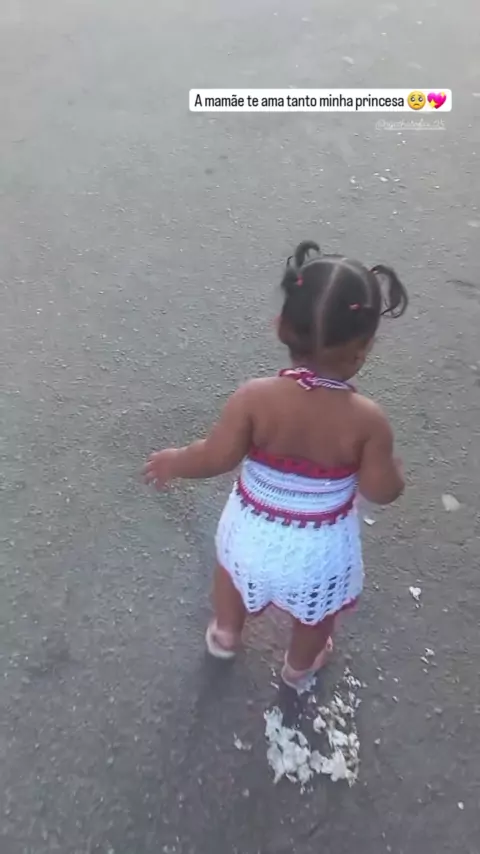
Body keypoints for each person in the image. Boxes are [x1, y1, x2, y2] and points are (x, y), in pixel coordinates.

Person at [143, 240, 407, 691]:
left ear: (281, 326)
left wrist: (175, 461)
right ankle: (299, 666)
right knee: (316, 615)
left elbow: (215, 456)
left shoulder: (254, 398)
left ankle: (225, 634)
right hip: (320, 551)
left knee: (231, 575)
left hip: (250, 532)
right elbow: (381, 490)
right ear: (362, 351)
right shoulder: (367, 421)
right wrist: (391, 470)